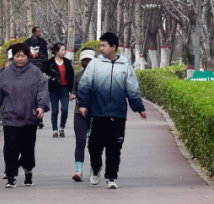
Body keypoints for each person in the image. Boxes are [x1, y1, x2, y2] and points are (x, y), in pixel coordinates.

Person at [76, 32, 145, 189]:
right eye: (100, 45)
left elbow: (132, 88)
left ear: (113, 47)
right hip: (97, 112)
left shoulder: (125, 65)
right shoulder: (95, 64)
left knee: (114, 147)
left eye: (103, 45)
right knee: (94, 146)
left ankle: (111, 177)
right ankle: (96, 167)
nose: (101, 48)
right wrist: (83, 104)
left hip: (117, 113)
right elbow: (85, 85)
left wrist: (139, 107)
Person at [0, 43, 50, 188]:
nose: (20, 59)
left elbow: (42, 91)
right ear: (12, 57)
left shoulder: (36, 72)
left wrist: (41, 106)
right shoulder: (6, 73)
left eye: (23, 56)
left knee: (28, 148)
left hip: (30, 117)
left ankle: (28, 171)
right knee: (11, 147)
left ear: (28, 56)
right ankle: (11, 176)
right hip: (10, 117)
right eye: (17, 56)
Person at [69, 48, 94, 181]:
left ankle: (94, 169)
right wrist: (73, 94)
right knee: (80, 141)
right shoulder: (78, 75)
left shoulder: (101, 75)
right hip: (79, 112)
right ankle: (78, 170)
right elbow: (74, 89)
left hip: (96, 113)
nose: (87, 62)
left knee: (94, 143)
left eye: (90, 60)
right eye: (85, 60)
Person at [47, 42, 74, 138]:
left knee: (65, 109)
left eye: (64, 50)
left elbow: (72, 76)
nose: (64, 52)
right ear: (56, 51)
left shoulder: (67, 62)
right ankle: (55, 130)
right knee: (54, 111)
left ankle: (62, 127)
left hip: (64, 88)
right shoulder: (49, 63)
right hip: (53, 90)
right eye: (62, 50)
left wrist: (72, 91)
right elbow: (44, 73)